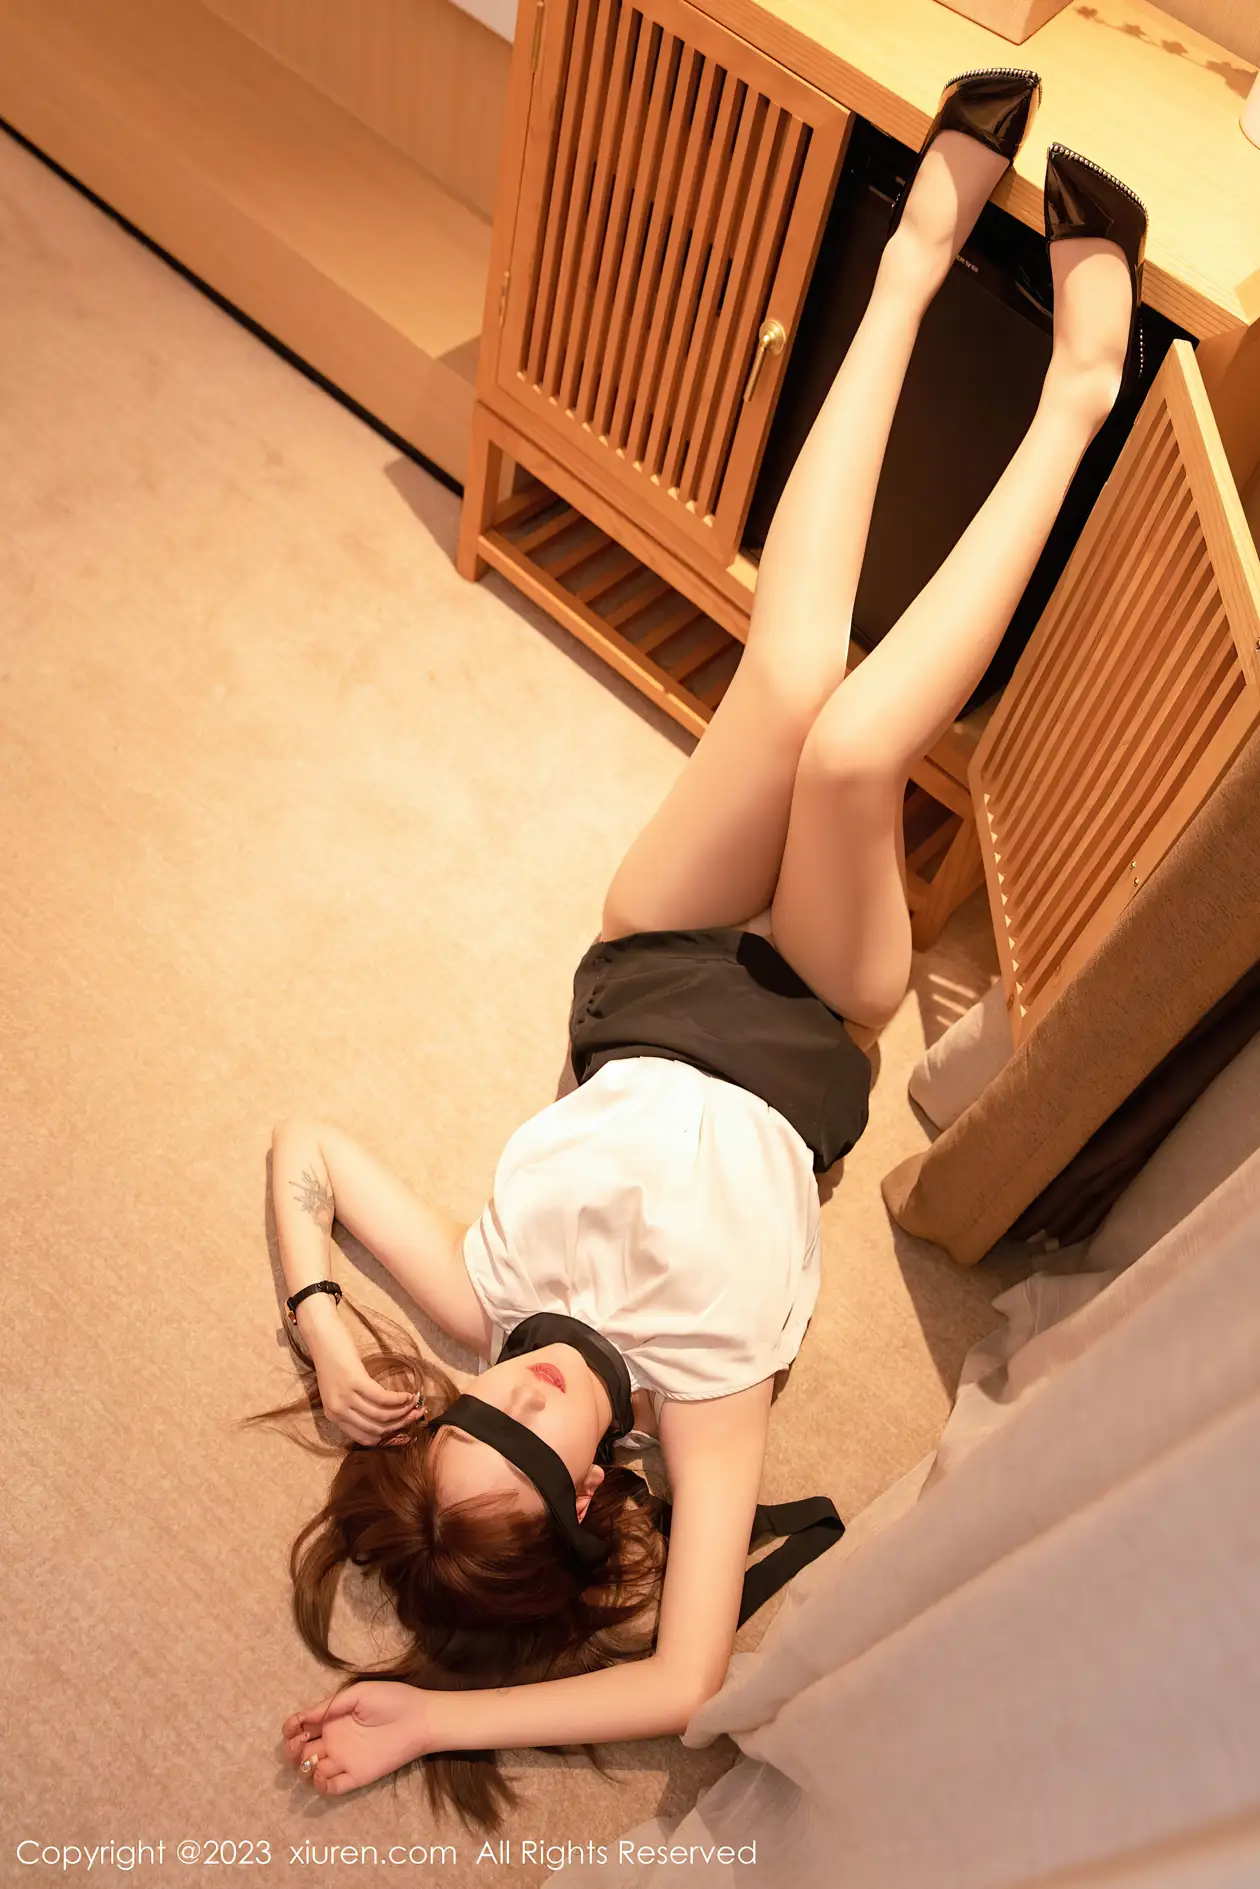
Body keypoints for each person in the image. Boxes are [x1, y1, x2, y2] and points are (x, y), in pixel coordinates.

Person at [258, 68, 1147, 1817]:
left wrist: (323, 1328)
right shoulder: (701, 1406)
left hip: (653, 961)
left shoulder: (485, 1302)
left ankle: (915, 254)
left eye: (474, 1412)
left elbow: (307, 1147)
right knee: (853, 753)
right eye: (533, 1436)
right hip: (813, 1015)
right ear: (597, 1494)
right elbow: (686, 1681)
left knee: (791, 670)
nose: (519, 1382)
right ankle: (1082, 389)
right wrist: (426, 1721)